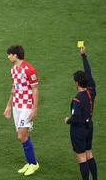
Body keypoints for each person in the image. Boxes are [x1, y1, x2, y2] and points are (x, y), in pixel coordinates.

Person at [4, 45, 39, 176]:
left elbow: (35, 90)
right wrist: (8, 106)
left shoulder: (29, 70)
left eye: (9, 54)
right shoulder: (13, 69)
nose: (8, 56)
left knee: (21, 135)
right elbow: (14, 88)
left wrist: (34, 109)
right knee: (23, 137)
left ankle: (34, 164)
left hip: (26, 106)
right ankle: (30, 163)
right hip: (16, 106)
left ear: (15, 55)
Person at [64, 46, 98, 180]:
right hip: (89, 127)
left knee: (82, 157)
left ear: (77, 83)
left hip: (79, 131)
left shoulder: (77, 99)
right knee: (89, 153)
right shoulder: (91, 91)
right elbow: (89, 74)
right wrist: (84, 56)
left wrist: (68, 120)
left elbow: (76, 118)